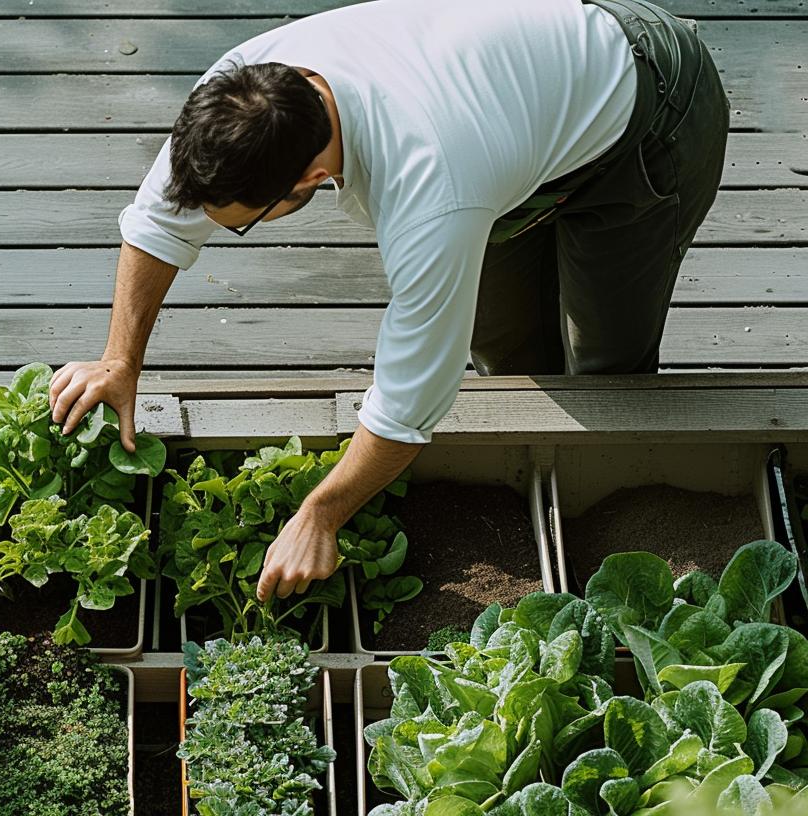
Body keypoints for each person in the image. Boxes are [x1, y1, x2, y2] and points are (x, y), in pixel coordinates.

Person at [48, 0, 727, 603]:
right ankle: (539, 469)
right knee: (500, 336)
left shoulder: (431, 186)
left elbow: (408, 405)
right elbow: (159, 221)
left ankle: (619, 521)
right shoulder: (244, 92)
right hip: (516, 114)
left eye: (243, 222)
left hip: (652, 110)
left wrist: (319, 514)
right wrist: (119, 361)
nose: (221, 231)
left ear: (312, 178)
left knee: (606, 359)